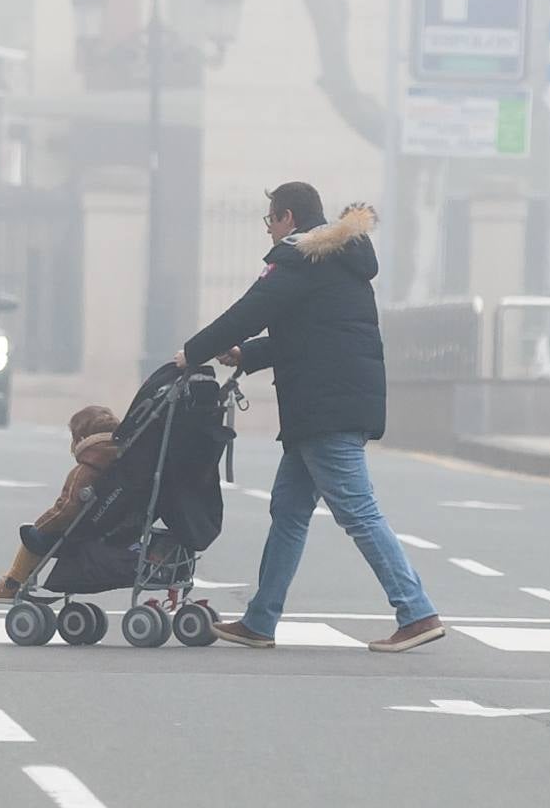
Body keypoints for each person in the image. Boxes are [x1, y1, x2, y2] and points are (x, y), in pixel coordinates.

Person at [176, 181, 443, 653]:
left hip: (326, 407)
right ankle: (260, 621)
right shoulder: (340, 261)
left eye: (270, 221)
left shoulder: (301, 258)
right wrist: (247, 356)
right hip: (329, 402)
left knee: (357, 511)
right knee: (289, 511)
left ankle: (416, 611)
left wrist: (193, 352)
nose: (269, 231)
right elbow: (310, 334)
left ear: (287, 218)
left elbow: (248, 312)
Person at [0, 406, 119, 603]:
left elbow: (67, 508)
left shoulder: (85, 471)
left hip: (82, 536)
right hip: (111, 532)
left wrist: (41, 525)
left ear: (80, 438)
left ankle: (11, 583)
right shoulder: (123, 465)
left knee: (31, 534)